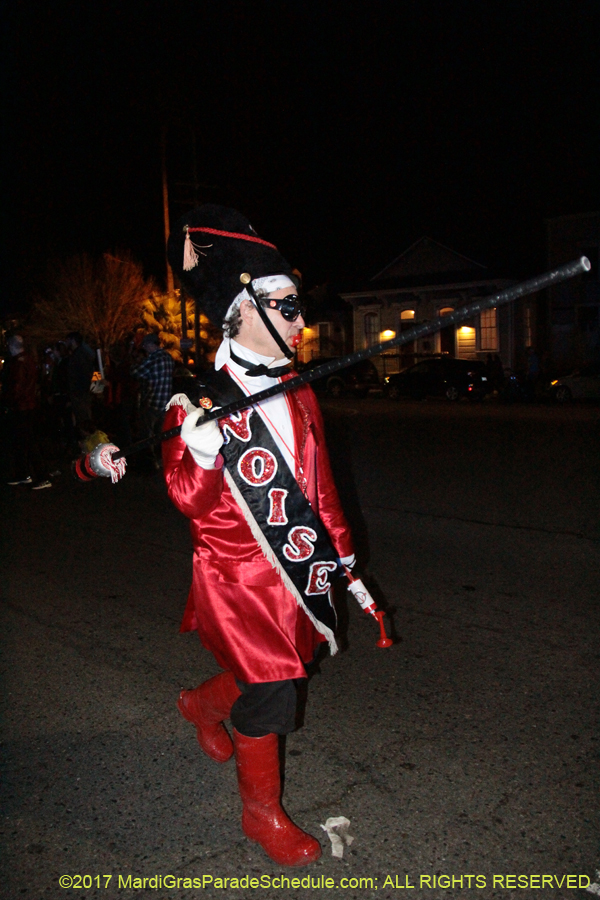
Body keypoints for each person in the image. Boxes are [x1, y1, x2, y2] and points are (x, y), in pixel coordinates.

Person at [163, 205, 355, 866]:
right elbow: (186, 497)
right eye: (287, 305)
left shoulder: (297, 389)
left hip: (292, 569)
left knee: (284, 667)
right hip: (236, 576)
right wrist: (206, 451)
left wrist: (342, 553)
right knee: (274, 688)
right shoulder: (195, 401)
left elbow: (319, 481)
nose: (302, 320)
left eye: (299, 305)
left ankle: (197, 705)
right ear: (240, 311)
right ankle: (260, 815)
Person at [3, 335, 52, 489]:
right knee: (23, 441)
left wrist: (7, 402)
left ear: (11, 346)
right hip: (28, 405)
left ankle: (40, 476)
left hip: (20, 407)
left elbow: (16, 388)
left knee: (26, 442)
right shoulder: (29, 360)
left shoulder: (18, 364)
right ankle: (25, 474)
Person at [131, 333, 174, 465]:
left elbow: (136, 373)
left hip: (154, 400)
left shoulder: (153, 358)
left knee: (147, 432)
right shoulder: (168, 357)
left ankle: (149, 461)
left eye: (145, 346)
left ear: (150, 344)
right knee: (162, 433)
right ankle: (162, 460)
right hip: (166, 401)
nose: (145, 349)